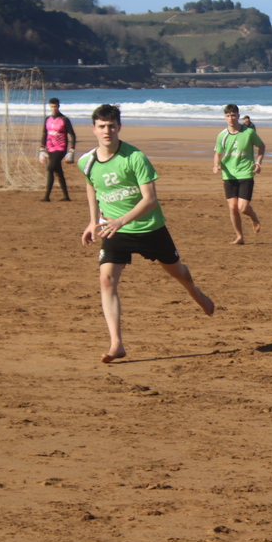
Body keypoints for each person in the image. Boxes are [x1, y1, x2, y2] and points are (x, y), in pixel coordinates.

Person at [80, 104, 214, 364]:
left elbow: (150, 199)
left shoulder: (135, 157)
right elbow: (92, 187)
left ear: (119, 127)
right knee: (106, 280)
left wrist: (122, 220)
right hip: (114, 230)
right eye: (102, 126)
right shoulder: (86, 162)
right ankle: (116, 344)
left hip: (149, 228)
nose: (107, 131)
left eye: (111, 126)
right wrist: (92, 221)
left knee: (178, 272)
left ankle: (196, 293)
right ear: (93, 129)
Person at [213, 103, 265, 243]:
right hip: (228, 174)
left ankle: (253, 216)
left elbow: (261, 146)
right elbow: (218, 153)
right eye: (228, 116)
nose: (231, 118)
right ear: (225, 117)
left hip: (245, 173)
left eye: (233, 115)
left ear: (238, 116)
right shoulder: (222, 135)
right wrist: (216, 165)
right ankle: (239, 237)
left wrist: (258, 163)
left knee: (243, 208)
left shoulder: (249, 133)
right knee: (232, 207)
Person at [39, 98, 76, 202]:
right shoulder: (47, 119)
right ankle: (66, 196)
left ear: (58, 106)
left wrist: (72, 150)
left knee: (50, 168)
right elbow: (44, 134)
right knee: (58, 172)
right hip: (50, 148)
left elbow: (72, 134)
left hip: (61, 148)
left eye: (55, 106)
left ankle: (46, 196)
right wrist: (42, 148)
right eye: (52, 107)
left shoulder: (64, 119)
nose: (54, 108)